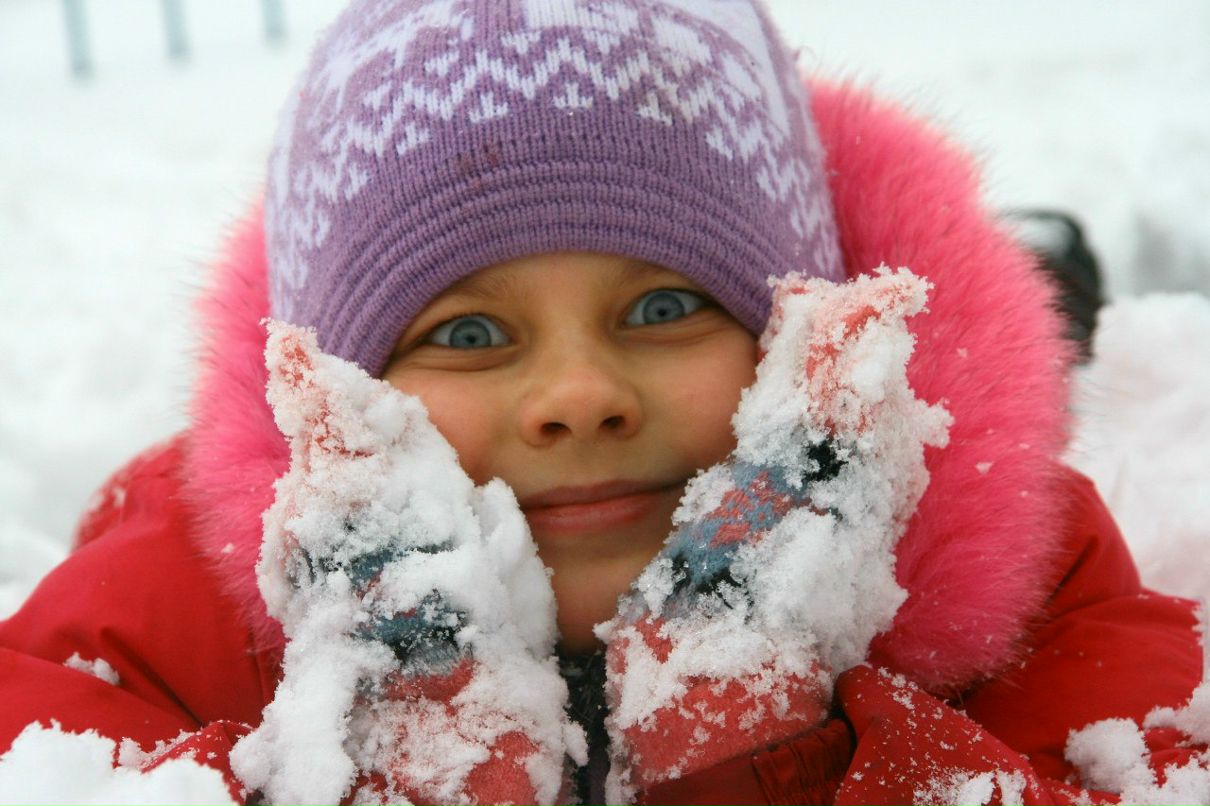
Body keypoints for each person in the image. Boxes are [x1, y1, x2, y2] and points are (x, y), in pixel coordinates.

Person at [1, 1, 1204, 804]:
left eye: (664, 305)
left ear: (799, 335)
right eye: (468, 332)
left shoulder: (1011, 564)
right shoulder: (176, 599)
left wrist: (783, 762)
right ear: (334, 384)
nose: (578, 397)